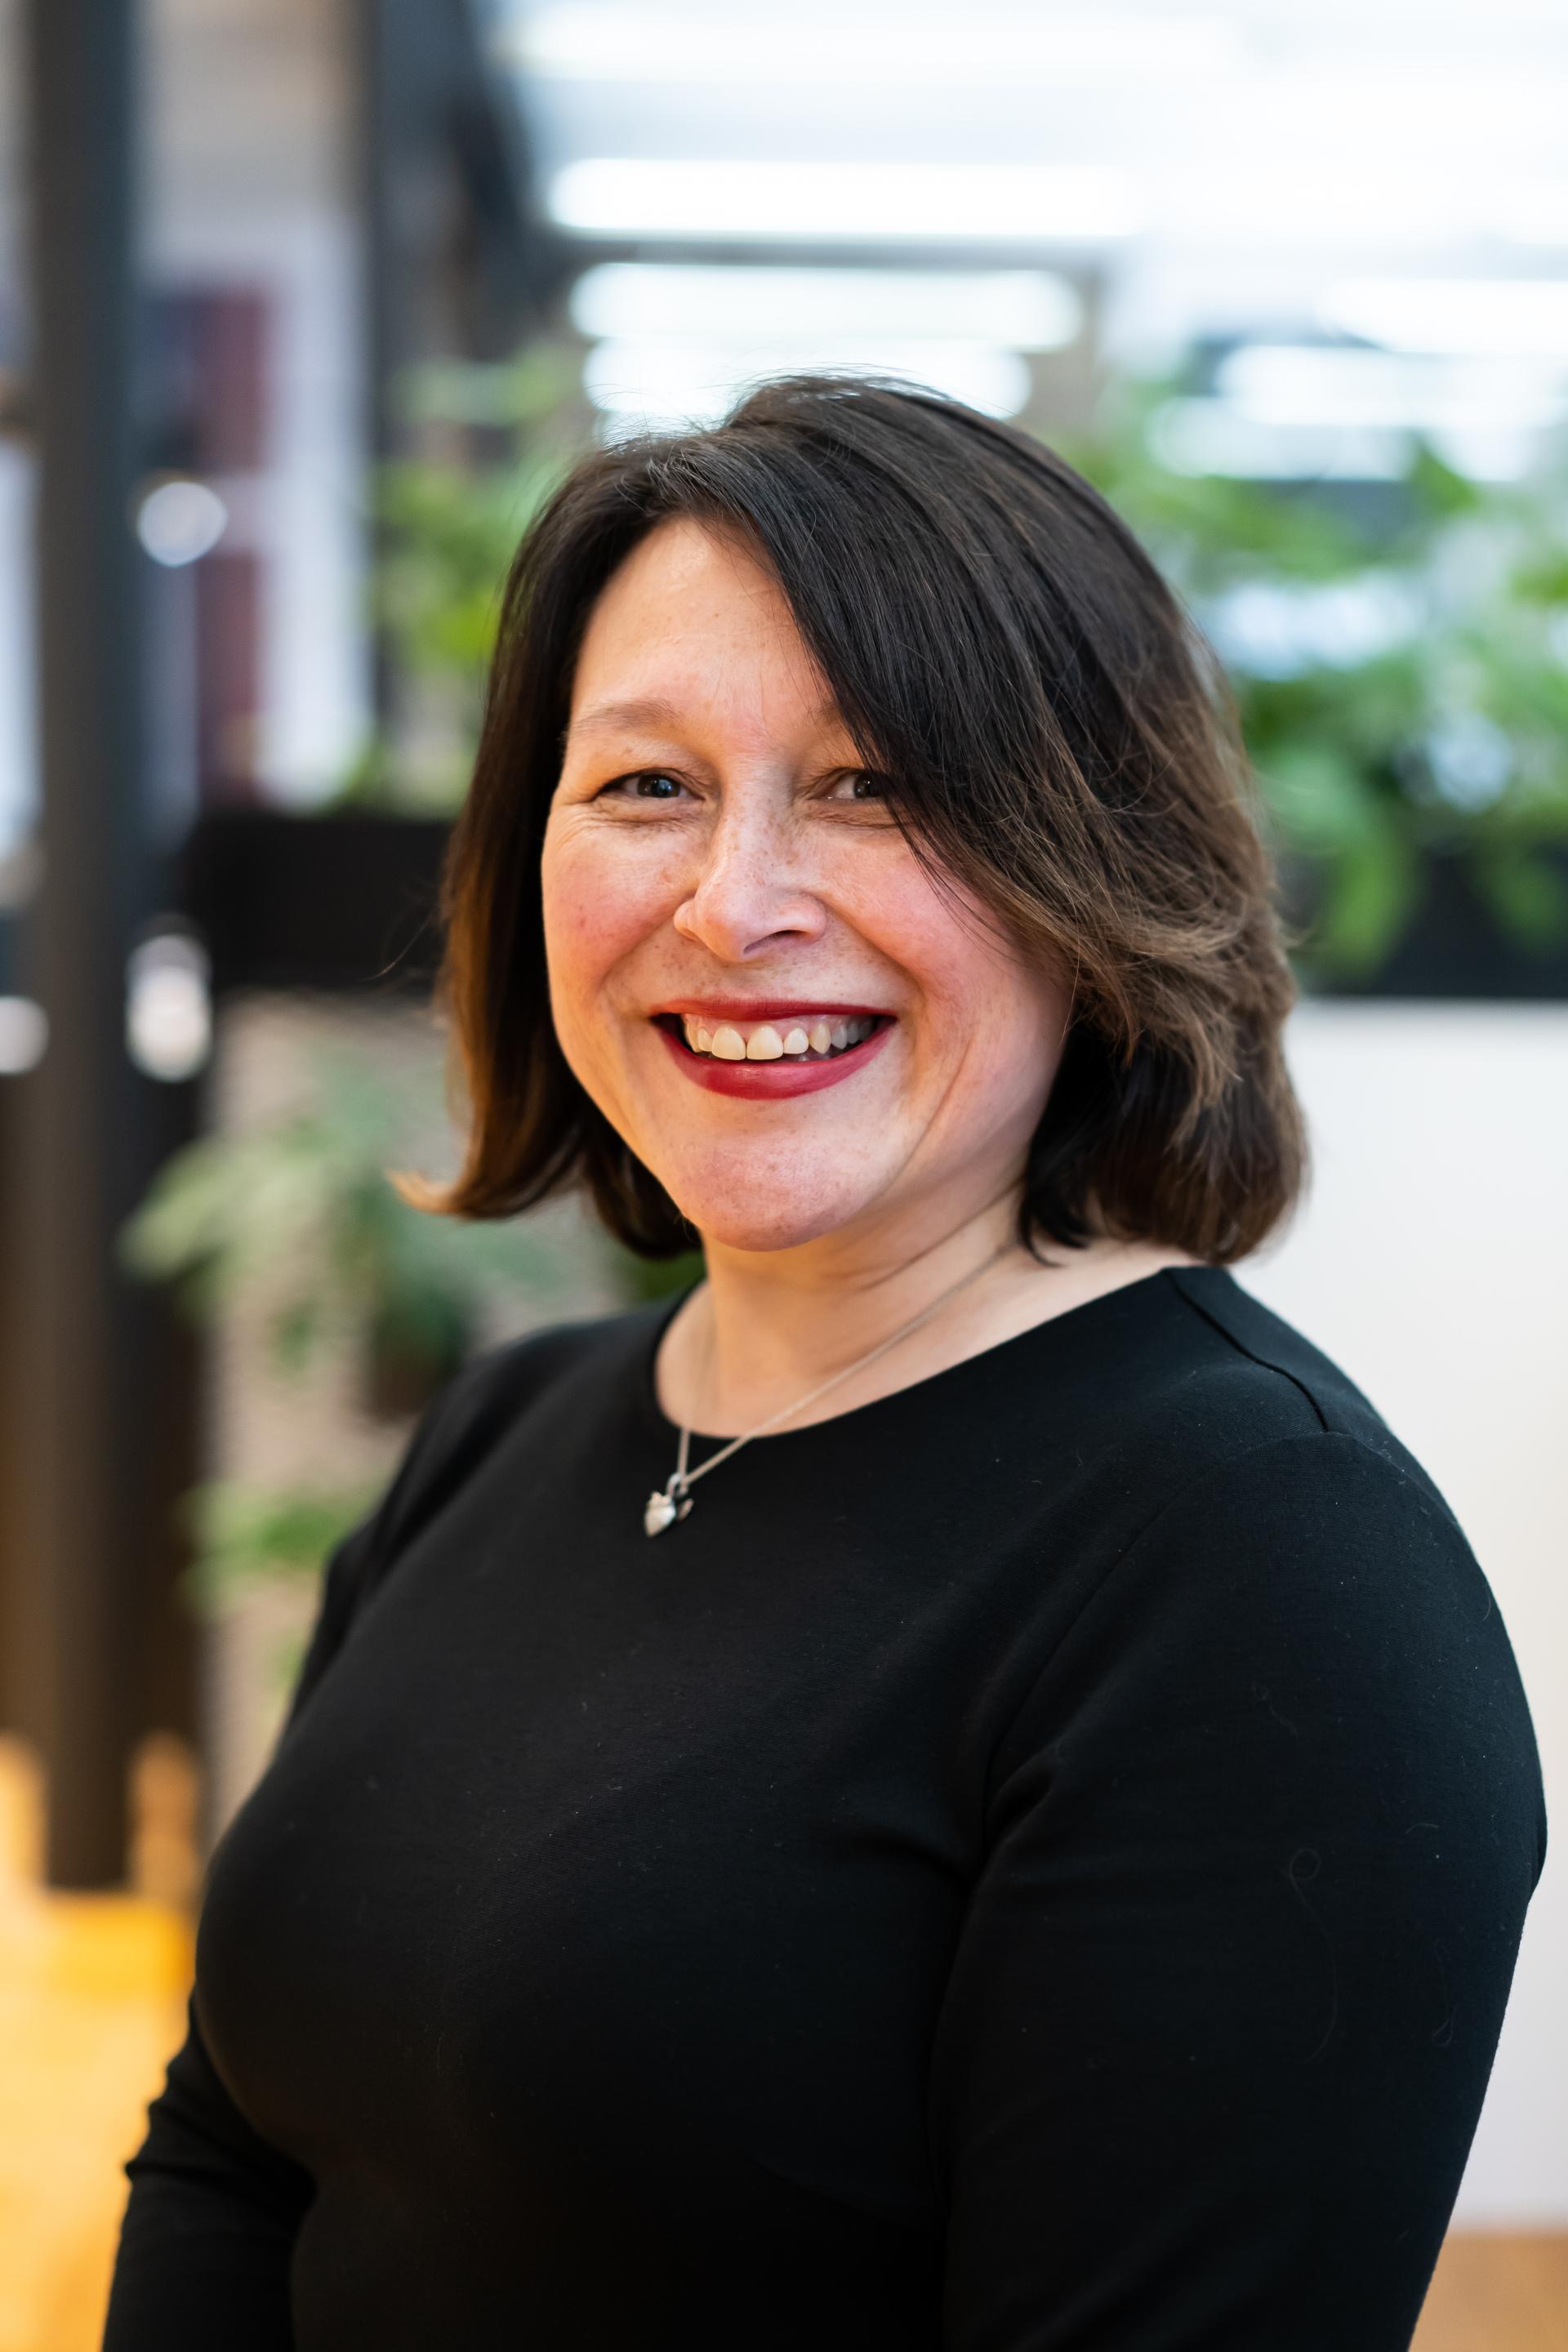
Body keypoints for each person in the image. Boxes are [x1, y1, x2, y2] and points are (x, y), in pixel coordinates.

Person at [104, 376, 1546, 2351]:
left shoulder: (1267, 1580)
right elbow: (238, 2147)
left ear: (1091, 871)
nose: (737, 902)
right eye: (646, 785)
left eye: (873, 787)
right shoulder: (515, 1428)